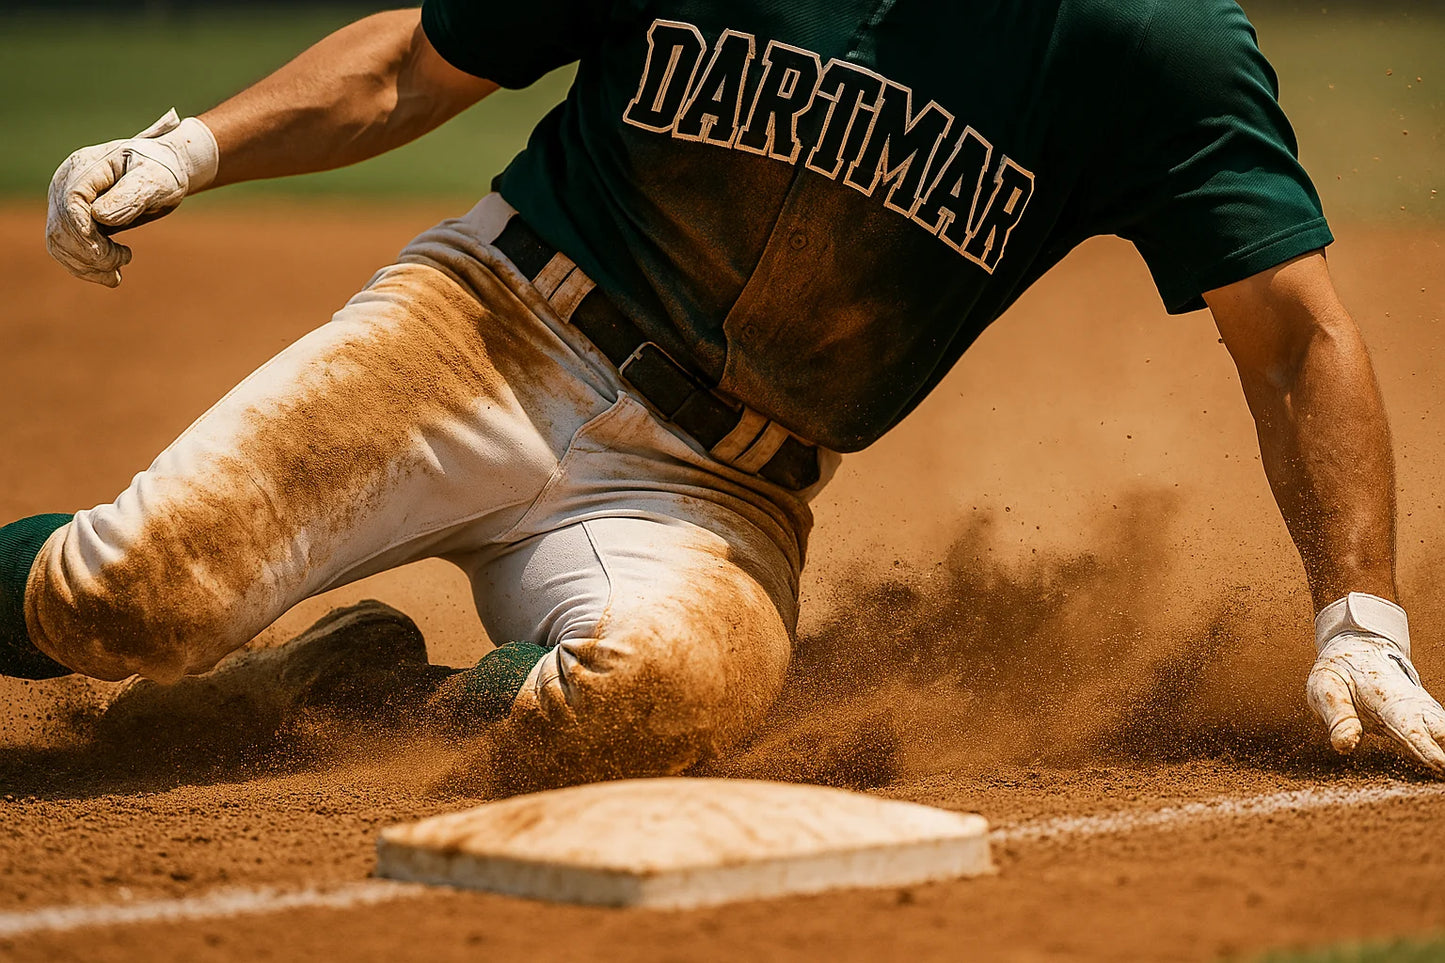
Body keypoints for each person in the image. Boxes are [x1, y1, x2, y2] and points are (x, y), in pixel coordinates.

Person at [6, 0, 1444, 790]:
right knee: (118, 603)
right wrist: (193, 149)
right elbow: (415, 64)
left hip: (718, 488)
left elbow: (1293, 333)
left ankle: (364, 680)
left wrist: (1357, 618)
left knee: (651, 700)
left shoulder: (1148, 42)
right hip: (482, 334)